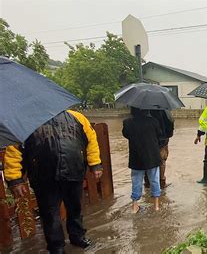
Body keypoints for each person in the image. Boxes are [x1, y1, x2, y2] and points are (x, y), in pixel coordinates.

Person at [3, 110, 103, 253]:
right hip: (43, 178)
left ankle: (78, 236)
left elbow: (91, 141)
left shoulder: (77, 117)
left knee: (75, 208)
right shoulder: (24, 122)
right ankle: (56, 247)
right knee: (50, 215)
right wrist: (15, 179)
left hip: (73, 171)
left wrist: (95, 164)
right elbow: (13, 152)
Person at [122, 107, 162, 213]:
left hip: (136, 157)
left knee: (136, 181)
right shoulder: (154, 121)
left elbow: (126, 134)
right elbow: (159, 135)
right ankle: (156, 205)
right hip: (152, 156)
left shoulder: (127, 122)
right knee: (154, 180)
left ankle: (135, 206)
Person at [150, 109, 175, 189]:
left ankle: (148, 183)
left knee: (148, 159)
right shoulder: (165, 109)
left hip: (148, 139)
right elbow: (170, 122)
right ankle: (161, 182)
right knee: (162, 160)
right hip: (162, 139)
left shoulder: (143, 108)